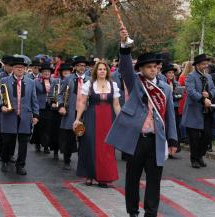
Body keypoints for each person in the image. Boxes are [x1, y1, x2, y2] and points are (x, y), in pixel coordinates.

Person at [106, 27, 178, 217]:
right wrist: (124, 45)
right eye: (149, 67)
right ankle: (132, 212)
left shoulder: (165, 88)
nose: (153, 70)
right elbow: (125, 66)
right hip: (137, 139)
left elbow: (169, 115)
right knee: (132, 179)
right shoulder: (134, 81)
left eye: (155, 67)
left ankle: (151, 213)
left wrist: (172, 140)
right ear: (141, 69)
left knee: (154, 181)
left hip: (156, 140)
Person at [74, 60, 121, 188]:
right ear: (96, 71)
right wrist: (78, 119)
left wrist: (121, 120)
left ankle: (104, 177)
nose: (102, 71)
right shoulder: (89, 84)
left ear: (107, 71)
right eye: (100, 69)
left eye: (104, 69)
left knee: (106, 147)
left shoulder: (113, 85)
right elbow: (82, 103)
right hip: (92, 117)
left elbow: (116, 104)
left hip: (108, 118)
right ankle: (89, 175)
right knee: (89, 145)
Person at [0, 57, 39, 175]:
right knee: (7, 141)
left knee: (23, 142)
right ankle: (5, 161)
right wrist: (1, 106)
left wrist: (36, 115)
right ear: (13, 69)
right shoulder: (4, 81)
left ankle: (20, 165)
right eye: (17, 67)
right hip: (9, 116)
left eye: (22, 67)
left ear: (25, 69)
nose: (20, 69)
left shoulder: (31, 82)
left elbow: (34, 100)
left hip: (25, 117)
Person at [181, 54, 215, 168]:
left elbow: (214, 89)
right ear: (197, 65)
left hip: (206, 111)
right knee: (194, 137)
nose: (205, 66)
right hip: (194, 111)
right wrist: (202, 99)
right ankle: (194, 159)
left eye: (206, 64)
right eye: (203, 64)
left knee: (208, 135)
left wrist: (209, 94)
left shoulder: (209, 76)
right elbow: (190, 91)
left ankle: (200, 155)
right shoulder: (191, 76)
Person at [58, 56, 90, 170]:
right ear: (75, 67)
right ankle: (67, 160)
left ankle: (83, 161)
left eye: (83, 65)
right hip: (71, 111)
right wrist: (61, 106)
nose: (82, 67)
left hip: (85, 113)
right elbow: (60, 94)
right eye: (79, 65)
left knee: (84, 138)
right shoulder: (68, 78)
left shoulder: (90, 79)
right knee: (69, 138)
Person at [34, 64, 59, 156]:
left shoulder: (54, 81)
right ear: (41, 73)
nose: (46, 73)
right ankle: (37, 143)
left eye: (48, 72)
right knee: (39, 126)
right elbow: (36, 93)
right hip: (39, 107)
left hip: (49, 107)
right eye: (44, 72)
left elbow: (56, 92)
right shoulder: (36, 81)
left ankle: (46, 146)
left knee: (48, 127)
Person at [162, 63, 183, 157]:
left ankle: (174, 146)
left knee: (175, 127)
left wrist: (176, 94)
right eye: (169, 73)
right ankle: (167, 147)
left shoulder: (176, 83)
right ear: (165, 74)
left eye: (172, 73)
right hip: (167, 107)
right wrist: (172, 94)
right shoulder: (164, 84)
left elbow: (179, 96)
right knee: (167, 126)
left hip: (175, 107)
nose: (171, 75)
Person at [178, 61, 193, 143]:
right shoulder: (193, 76)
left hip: (183, 98)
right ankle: (187, 135)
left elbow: (179, 88)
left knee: (182, 117)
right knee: (188, 117)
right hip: (189, 98)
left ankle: (184, 136)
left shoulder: (182, 76)